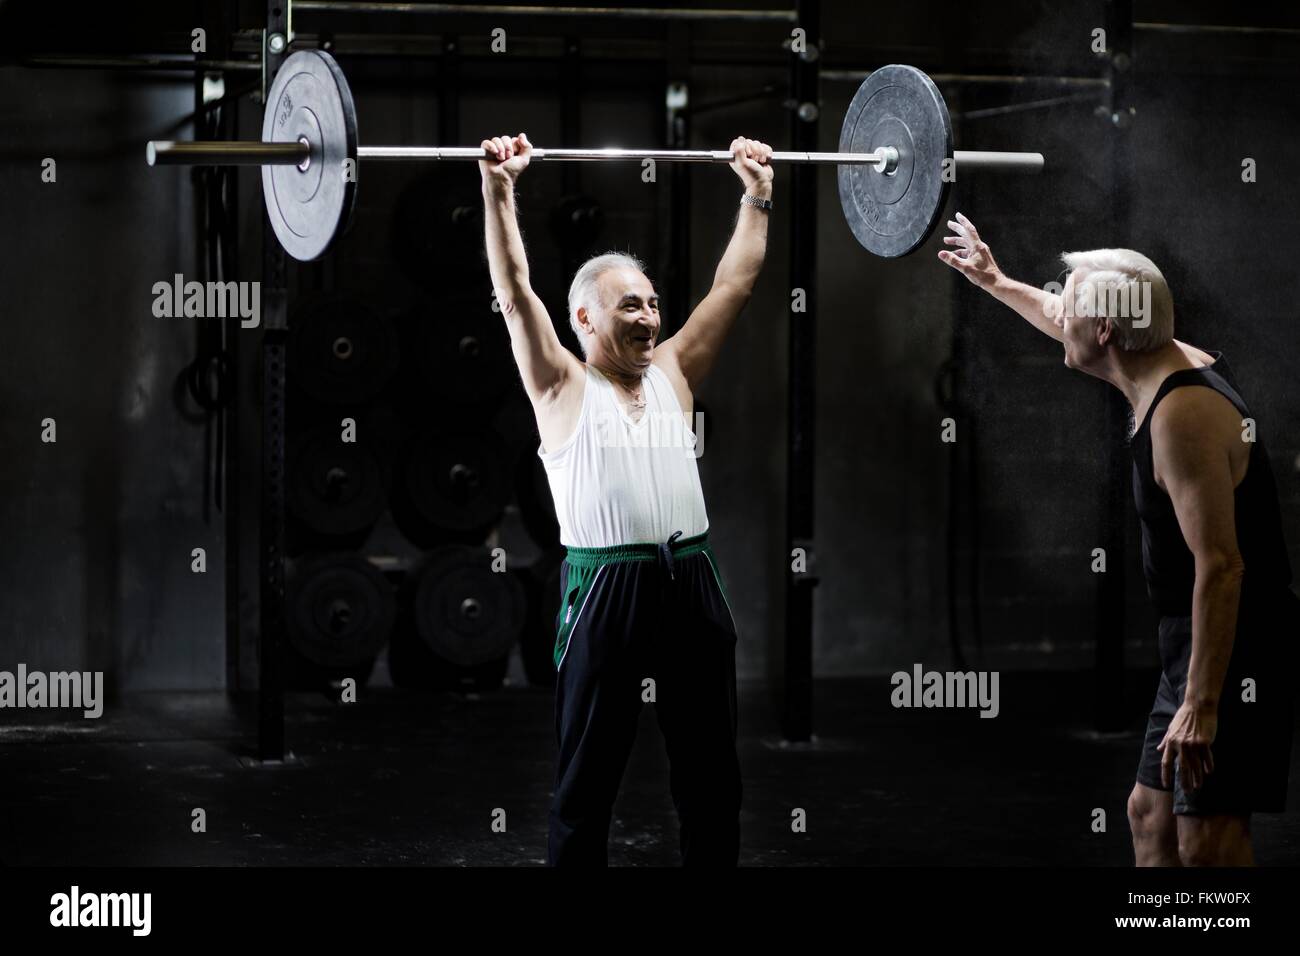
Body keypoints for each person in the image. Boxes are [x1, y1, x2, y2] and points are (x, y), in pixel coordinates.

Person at [939, 212, 1297, 866]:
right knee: (1150, 819)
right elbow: (1063, 312)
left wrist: (1203, 705)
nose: (1058, 315)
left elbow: (1222, 567)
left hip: (1239, 642)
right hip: (1194, 639)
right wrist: (995, 282)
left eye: (1072, 308)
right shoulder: (1155, 357)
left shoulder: (1183, 417)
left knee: (1206, 841)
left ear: (1105, 329)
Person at [479, 132, 774, 866]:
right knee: (587, 785)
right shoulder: (562, 386)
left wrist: (758, 194)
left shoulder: (673, 370)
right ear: (584, 321)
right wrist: (498, 189)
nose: (647, 318)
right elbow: (516, 296)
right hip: (607, 589)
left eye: (651, 305)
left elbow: (733, 285)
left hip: (691, 583)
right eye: (629, 307)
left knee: (712, 781)